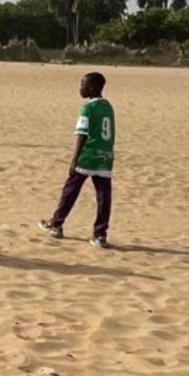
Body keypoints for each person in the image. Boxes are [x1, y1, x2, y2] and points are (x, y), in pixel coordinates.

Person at [39, 72, 115, 248]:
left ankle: (56, 223)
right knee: (104, 196)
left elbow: (82, 135)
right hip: (105, 156)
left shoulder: (87, 108)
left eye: (83, 85)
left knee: (71, 190)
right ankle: (100, 234)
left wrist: (74, 159)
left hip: (88, 155)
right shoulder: (108, 107)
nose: (80, 88)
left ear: (91, 88)